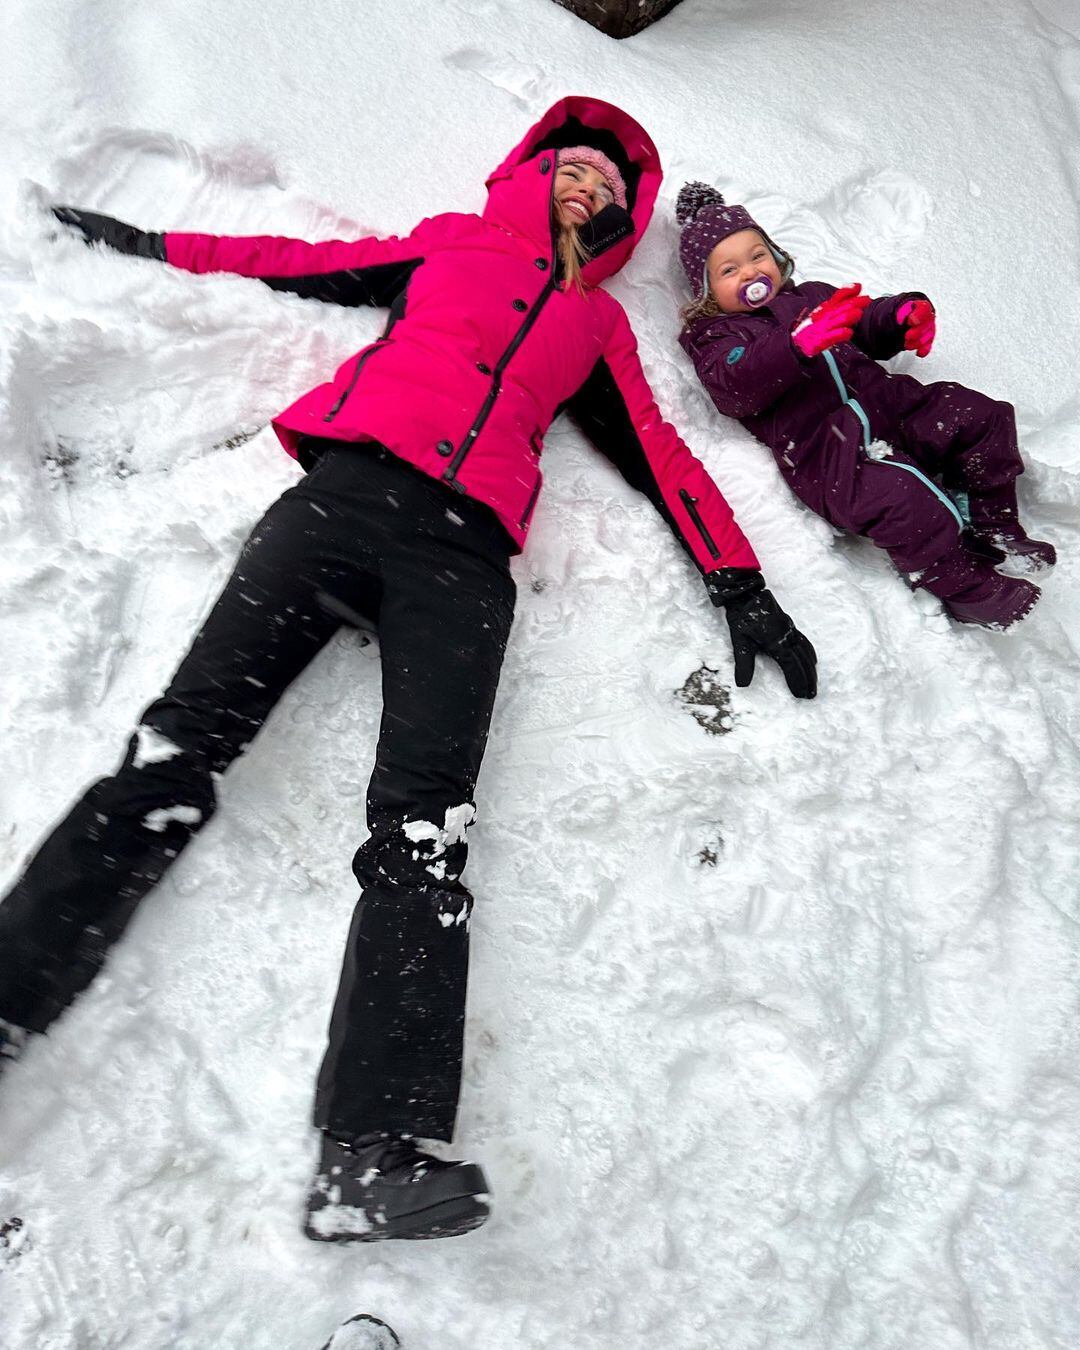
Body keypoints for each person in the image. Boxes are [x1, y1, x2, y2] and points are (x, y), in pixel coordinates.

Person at [0, 100, 816, 1244]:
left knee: (427, 833)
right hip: (334, 507)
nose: (588, 184)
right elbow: (293, 262)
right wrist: (145, 244)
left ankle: (369, 1159)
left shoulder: (594, 328)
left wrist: (742, 583)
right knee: (176, 750)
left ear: (620, 216)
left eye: (607, 182)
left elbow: (663, 459)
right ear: (533, 172)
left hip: (462, 561)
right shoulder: (450, 243)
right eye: (572, 163)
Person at [675, 182, 1056, 630]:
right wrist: (794, 346)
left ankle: (994, 523)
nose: (749, 272)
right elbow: (734, 385)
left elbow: (865, 320)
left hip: (891, 406)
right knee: (903, 498)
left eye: (757, 256)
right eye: (729, 269)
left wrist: (900, 317)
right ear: (706, 291)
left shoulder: (812, 296)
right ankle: (968, 591)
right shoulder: (719, 338)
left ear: (776, 257)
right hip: (829, 454)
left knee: (978, 416)